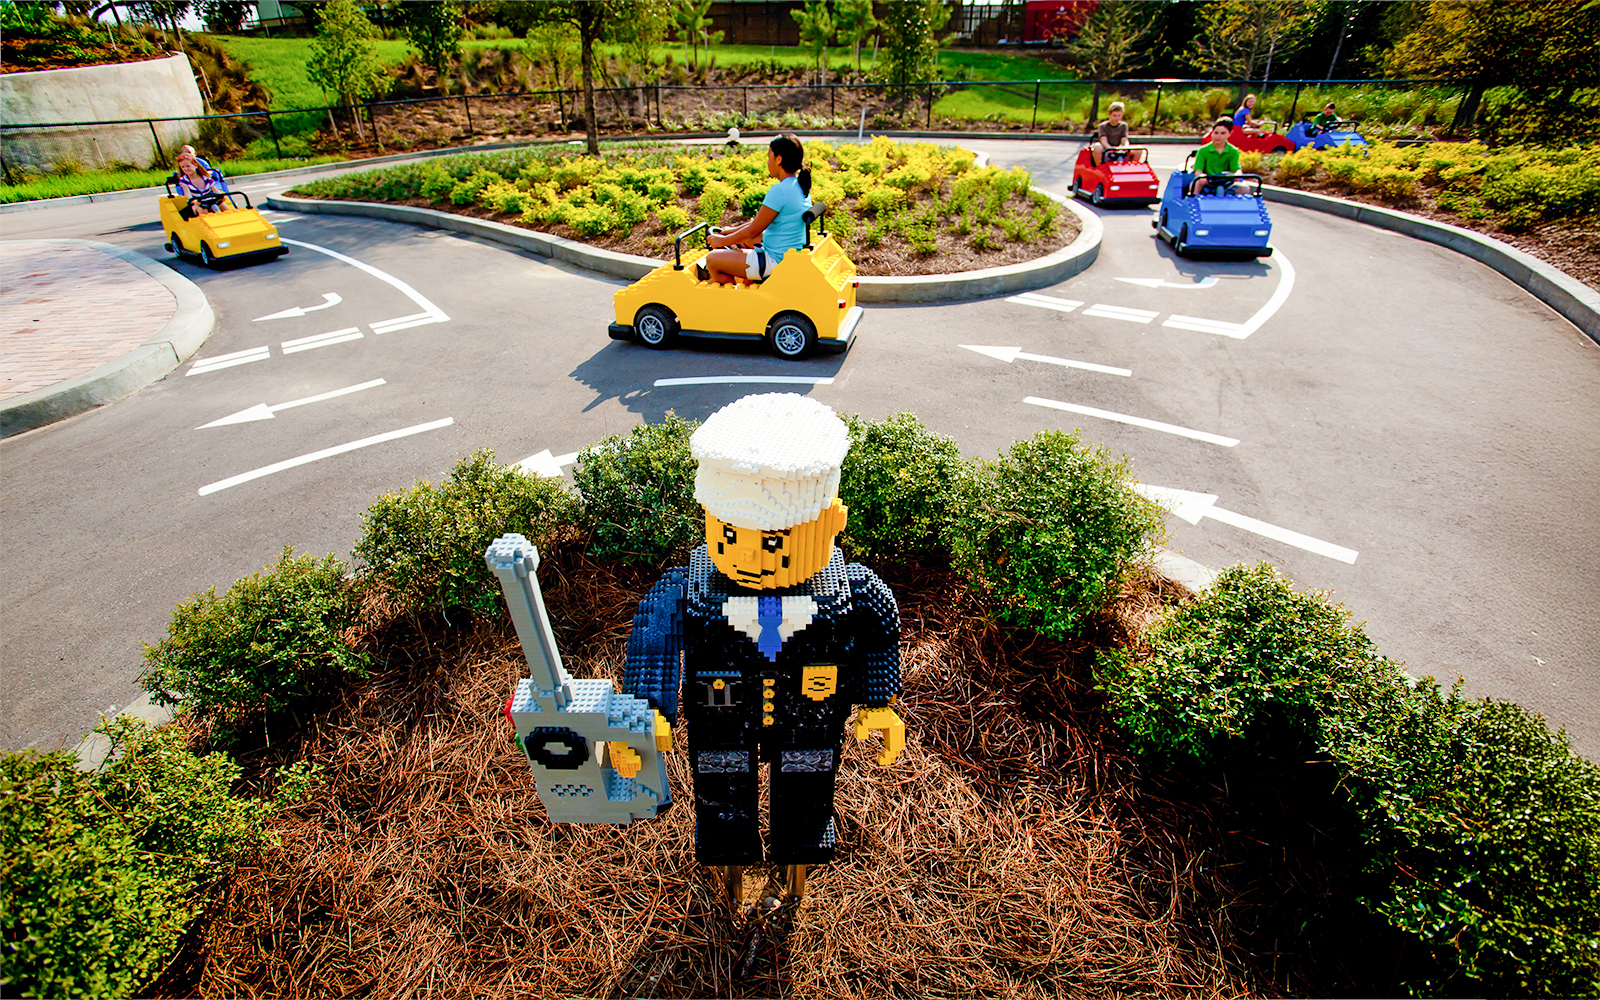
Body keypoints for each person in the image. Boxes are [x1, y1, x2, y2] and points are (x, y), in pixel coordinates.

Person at [622, 392, 905, 868]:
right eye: (730, 535)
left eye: (773, 541)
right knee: (720, 773)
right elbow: (654, 636)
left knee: (808, 770)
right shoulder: (691, 588)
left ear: (831, 521)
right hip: (721, 711)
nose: (751, 556)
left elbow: (879, 635)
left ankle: (805, 826)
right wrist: (648, 709)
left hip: (812, 709)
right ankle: (724, 828)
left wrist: (878, 700)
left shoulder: (848, 590)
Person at [700, 133, 811, 286]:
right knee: (748, 240)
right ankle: (747, 283)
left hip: (774, 260)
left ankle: (735, 299)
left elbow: (753, 230)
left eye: (769, 156)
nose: (767, 162)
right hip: (786, 253)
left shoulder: (780, 191)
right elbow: (759, 223)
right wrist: (731, 230)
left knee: (712, 260)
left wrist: (722, 241)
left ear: (779, 159)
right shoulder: (799, 186)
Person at [1192, 117, 1241, 195]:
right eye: (1216, 133)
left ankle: (1236, 205)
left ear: (1229, 134)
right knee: (1196, 184)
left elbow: (1236, 169)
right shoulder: (1204, 150)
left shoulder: (1233, 151)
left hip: (1225, 182)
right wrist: (1202, 176)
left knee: (1244, 188)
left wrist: (1237, 174)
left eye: (1223, 133)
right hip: (1208, 182)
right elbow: (1198, 170)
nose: (1218, 136)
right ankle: (1194, 203)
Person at [173, 149, 224, 214]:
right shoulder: (184, 180)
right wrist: (194, 201)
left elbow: (215, 189)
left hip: (211, 200)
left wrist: (221, 196)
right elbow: (187, 194)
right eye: (183, 167)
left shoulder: (205, 177)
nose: (185, 169)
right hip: (197, 203)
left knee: (223, 206)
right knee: (202, 210)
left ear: (195, 165)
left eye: (188, 166)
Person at [1091, 100, 1130, 166]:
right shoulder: (1103, 126)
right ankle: (1100, 167)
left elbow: (1124, 139)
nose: (1116, 118)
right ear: (1109, 114)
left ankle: (1130, 168)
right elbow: (1103, 140)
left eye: (1119, 116)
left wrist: (1125, 147)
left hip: (1119, 148)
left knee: (1138, 149)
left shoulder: (1124, 126)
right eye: (1114, 115)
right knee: (1097, 146)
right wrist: (1111, 149)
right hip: (1107, 149)